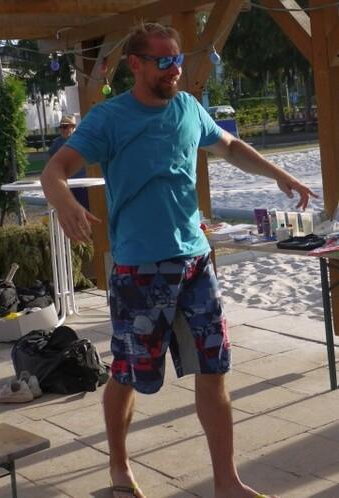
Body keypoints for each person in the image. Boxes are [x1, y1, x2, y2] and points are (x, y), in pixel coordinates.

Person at [41, 23, 317, 498]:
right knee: (129, 374)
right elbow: (55, 170)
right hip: (139, 270)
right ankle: (119, 467)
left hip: (196, 262)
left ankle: (227, 481)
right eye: (164, 61)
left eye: (178, 60)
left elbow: (229, 146)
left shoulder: (188, 107)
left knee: (215, 368)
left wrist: (278, 173)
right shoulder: (110, 118)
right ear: (135, 64)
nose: (175, 70)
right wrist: (65, 202)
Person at [49, 114, 89, 210]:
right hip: (65, 185)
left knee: (85, 209)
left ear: (73, 127)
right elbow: (51, 163)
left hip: (82, 184)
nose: (62, 129)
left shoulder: (82, 141)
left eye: (65, 126)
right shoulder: (56, 144)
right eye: (61, 127)